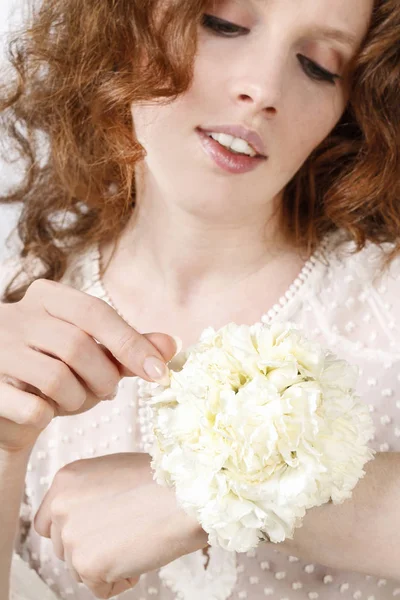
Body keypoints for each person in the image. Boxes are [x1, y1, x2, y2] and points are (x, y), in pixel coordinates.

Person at [1, 0, 400, 598]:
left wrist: (212, 494)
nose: (262, 89)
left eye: (319, 65)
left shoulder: (383, 305)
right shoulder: (19, 298)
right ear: (125, 21)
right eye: (224, 25)